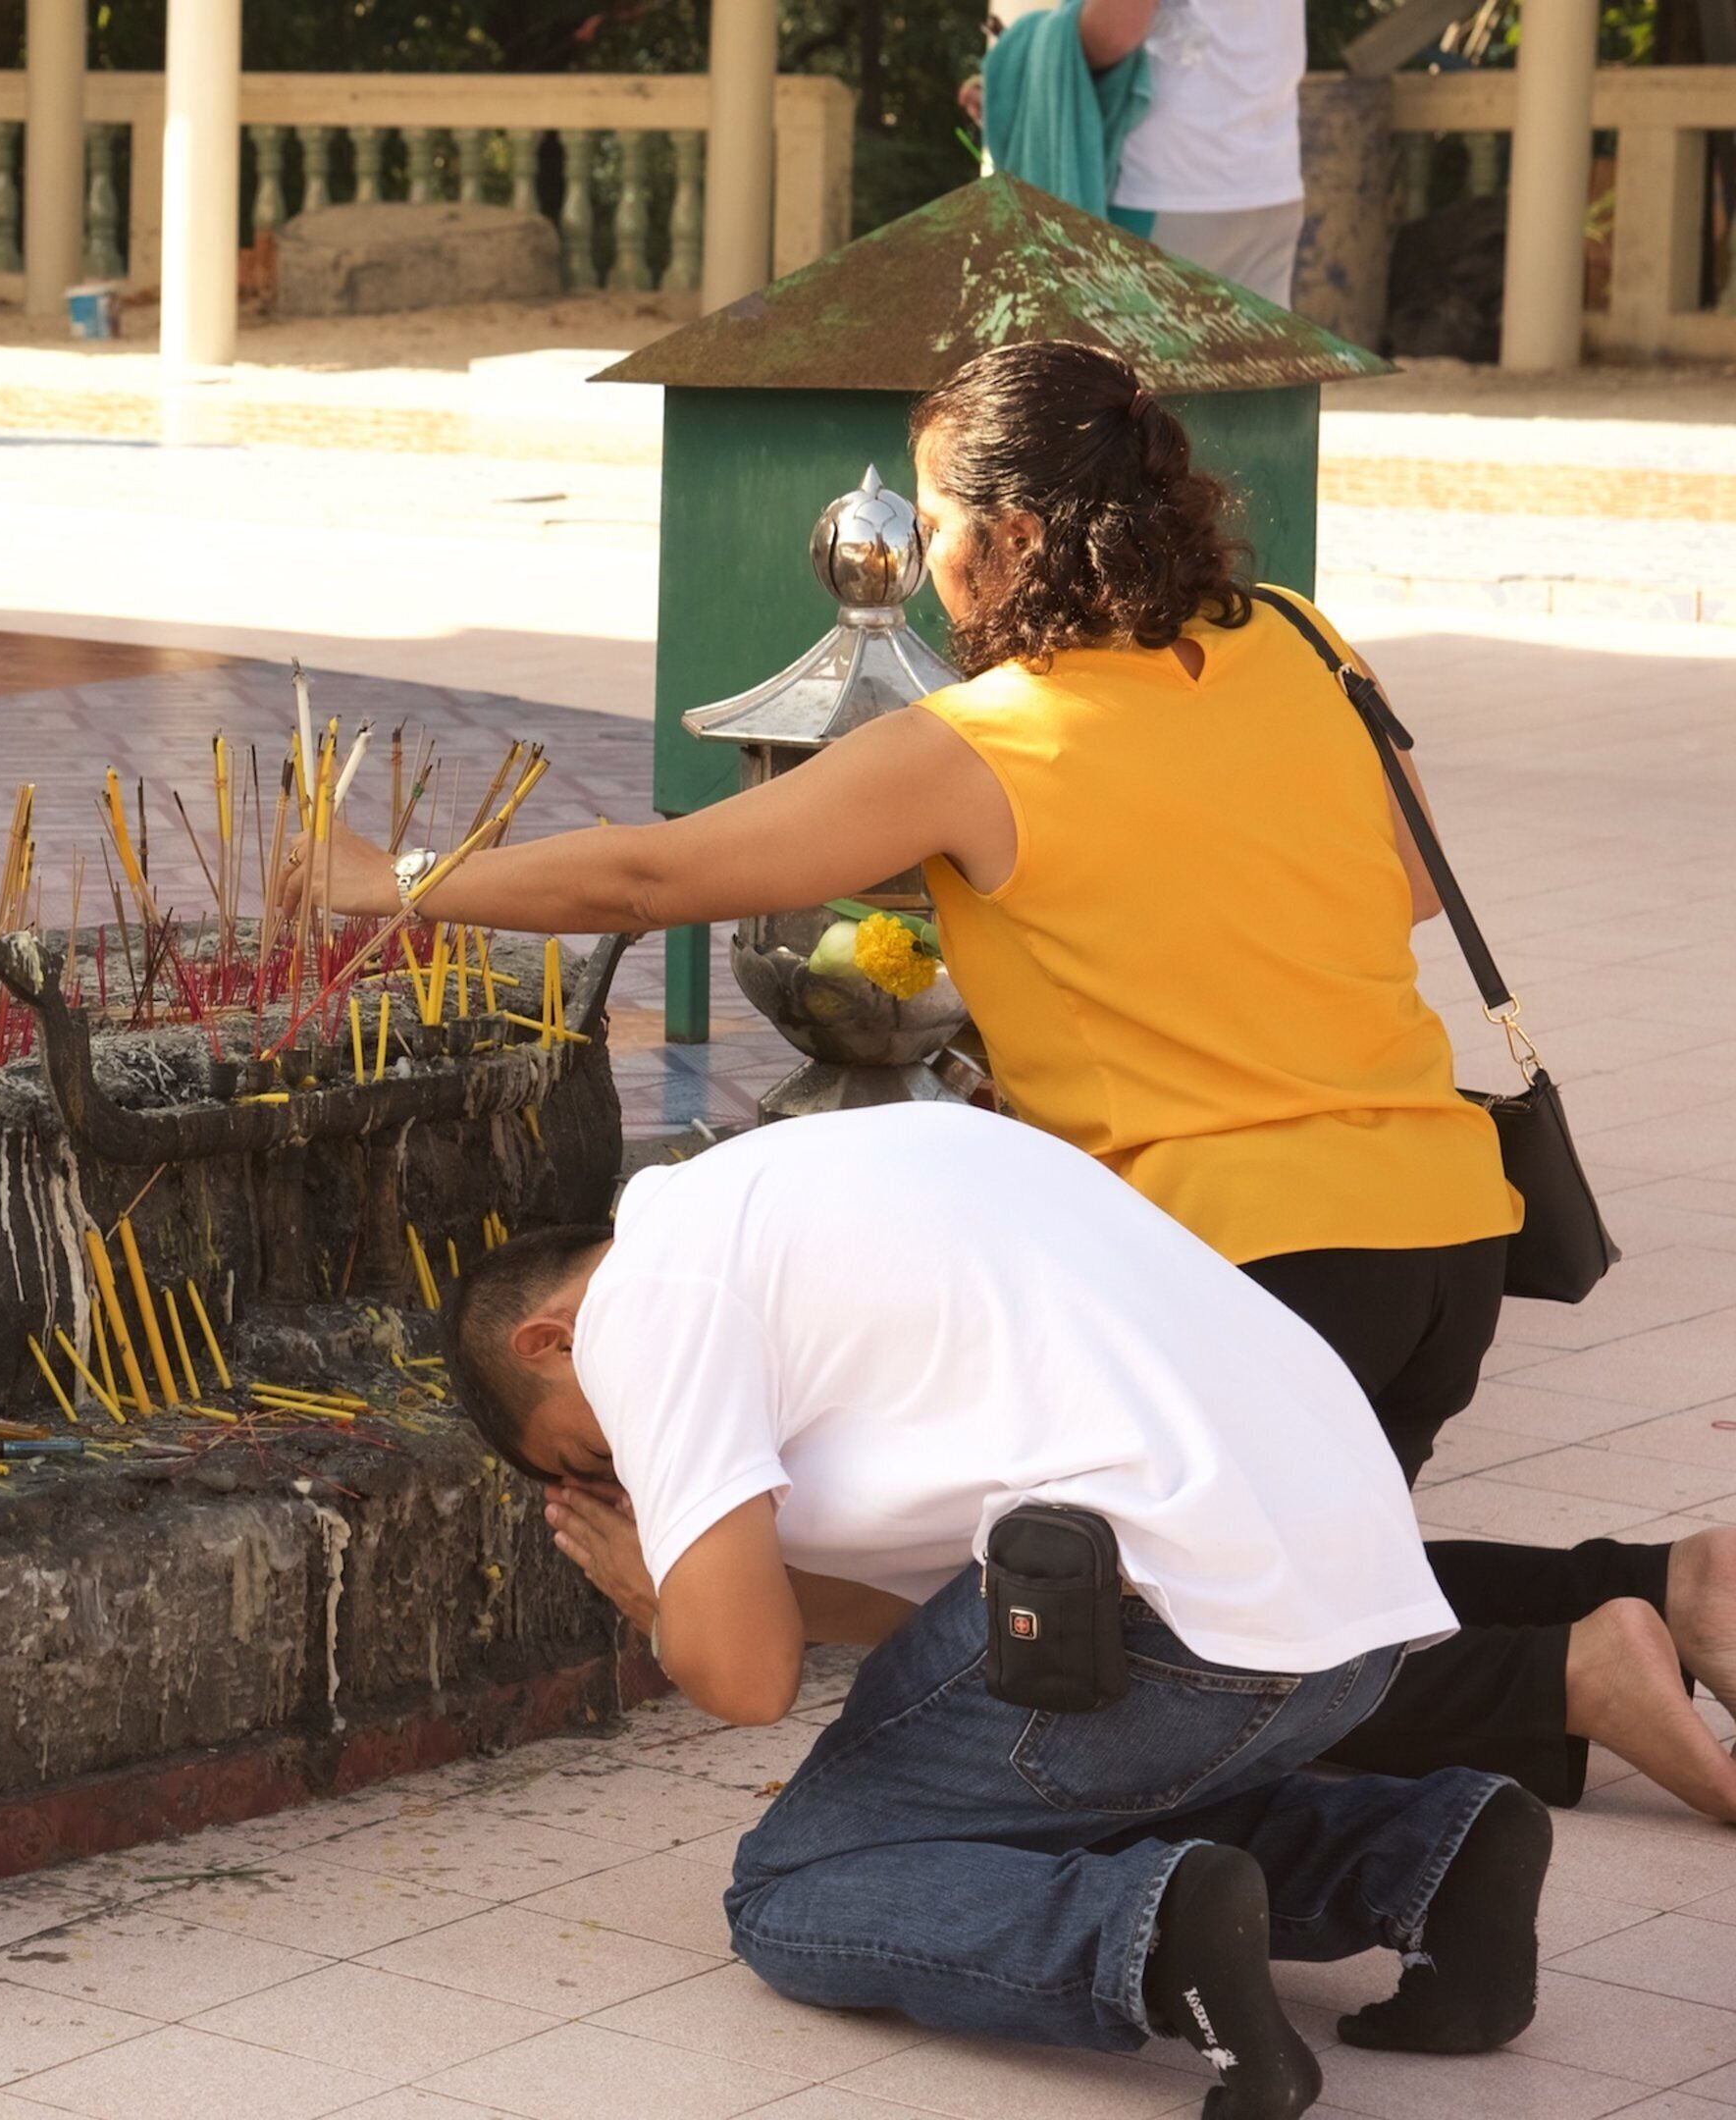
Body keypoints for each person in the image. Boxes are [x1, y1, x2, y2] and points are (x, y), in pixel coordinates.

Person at [279, 338, 1736, 1824]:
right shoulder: (1298, 637)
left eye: (933, 520)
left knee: (1176, 1653)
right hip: (1445, 1227)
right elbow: (1414, 884)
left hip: (1247, 1250)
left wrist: (389, 882)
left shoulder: (989, 745)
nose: (915, 561)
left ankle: (1571, 1677)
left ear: (1017, 536)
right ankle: (1668, 1592)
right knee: (1291, 1552)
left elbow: (652, 876)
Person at [446, 1104, 1546, 2117]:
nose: (631, 1487)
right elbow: (926, 1640)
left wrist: (659, 1601)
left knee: (792, 1890)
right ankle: (1426, 1856)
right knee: (1018, 1796)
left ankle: (1154, 1937)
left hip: (1171, 1631)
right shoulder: (823, 1178)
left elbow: (744, 1681)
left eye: (599, 1456)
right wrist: (726, 1586)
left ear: (545, 1340)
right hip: (1359, 1620)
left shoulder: (648, 1300)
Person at [966, 0, 1304, 303]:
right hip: (1270, 177)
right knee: (1254, 367)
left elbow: (1116, 30)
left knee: (1128, 371)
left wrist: (1024, 66)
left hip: (1162, 187)